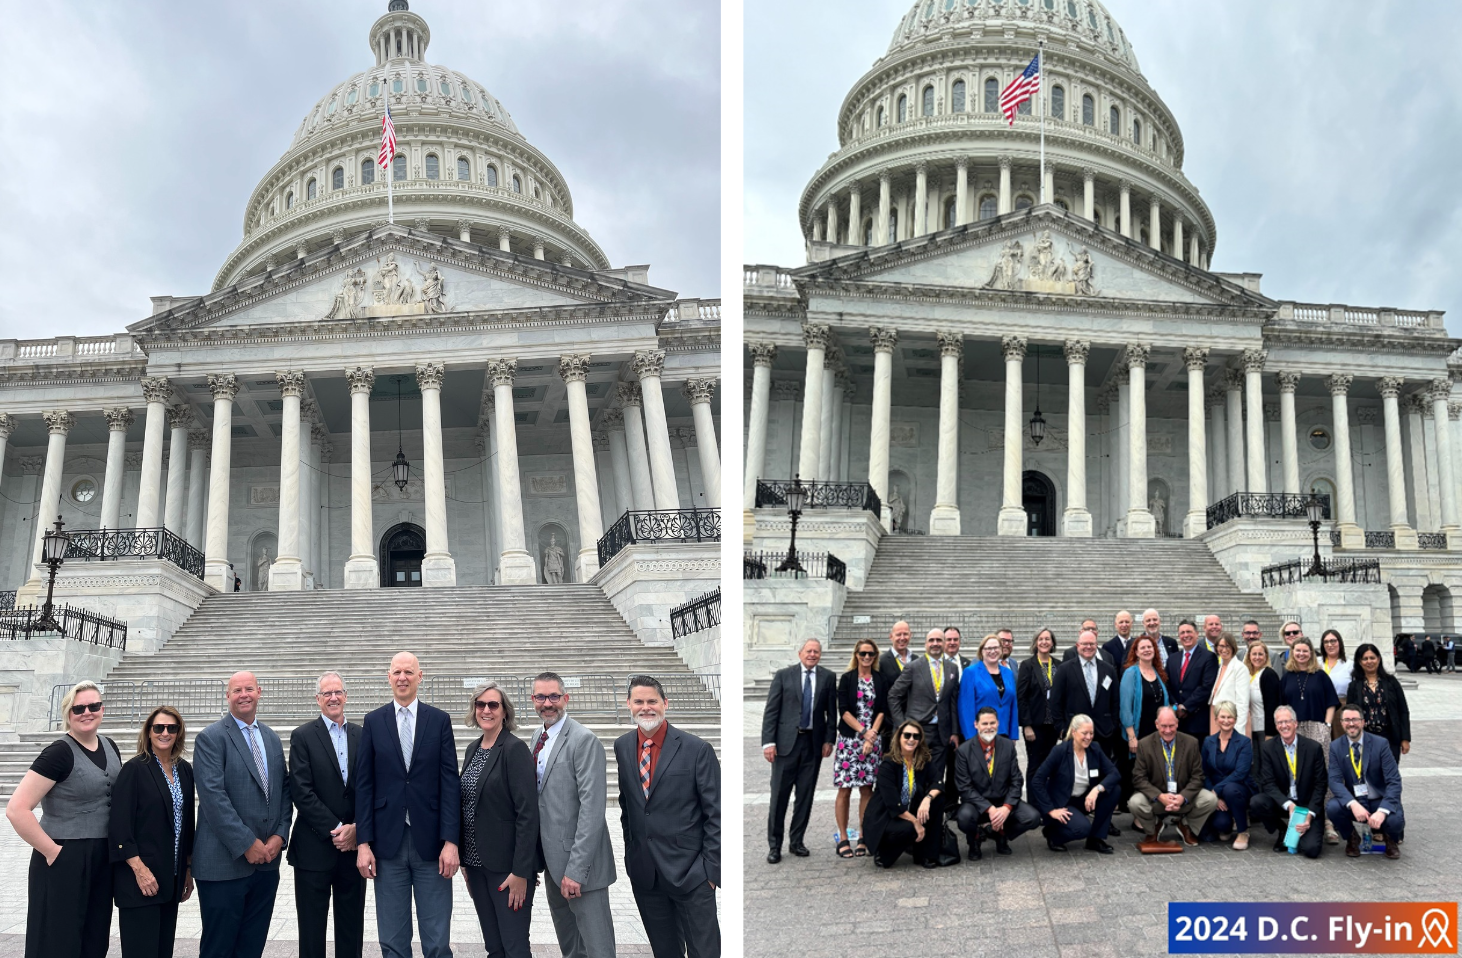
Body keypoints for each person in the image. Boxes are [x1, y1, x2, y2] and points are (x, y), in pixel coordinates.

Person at [5, 680, 122, 958]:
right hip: (63, 854)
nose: (86, 712)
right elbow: (17, 808)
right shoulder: (58, 753)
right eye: (78, 708)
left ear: (102, 710)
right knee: (57, 938)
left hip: (102, 857)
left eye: (93, 706)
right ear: (68, 713)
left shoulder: (110, 746)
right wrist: (53, 852)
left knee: (94, 936)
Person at [355, 653, 461, 958]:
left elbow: (449, 784)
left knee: (437, 939)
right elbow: (364, 786)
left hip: (432, 845)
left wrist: (451, 842)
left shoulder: (438, 720)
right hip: (387, 844)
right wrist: (363, 843)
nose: (403, 677)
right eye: (397, 672)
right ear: (389, 677)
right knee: (392, 939)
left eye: (409, 672)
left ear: (420, 676)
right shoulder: (374, 722)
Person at [614, 676, 720, 958]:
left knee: (704, 953)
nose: (645, 707)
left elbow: (715, 814)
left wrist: (709, 872)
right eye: (639, 701)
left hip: (691, 875)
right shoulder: (623, 747)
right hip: (646, 876)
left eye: (652, 701)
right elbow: (628, 807)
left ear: (665, 704)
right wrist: (631, 857)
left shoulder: (697, 749)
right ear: (629, 705)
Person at [192, 672, 292, 958]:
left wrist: (280, 834)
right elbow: (213, 799)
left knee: (252, 946)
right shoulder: (211, 738)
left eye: (249, 689)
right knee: (219, 948)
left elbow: (284, 790)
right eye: (237, 690)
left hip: (265, 866)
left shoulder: (271, 738)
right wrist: (247, 844)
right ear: (228, 696)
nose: (244, 694)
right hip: (224, 865)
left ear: (260, 692)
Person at [530, 672, 617, 958]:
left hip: (582, 869)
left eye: (554, 696)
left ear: (565, 698)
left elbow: (592, 810)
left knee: (597, 948)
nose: (548, 703)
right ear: (533, 701)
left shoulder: (584, 740)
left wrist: (576, 871)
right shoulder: (536, 737)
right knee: (571, 947)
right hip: (553, 866)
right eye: (541, 697)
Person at [459, 681, 540, 958]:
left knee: (514, 946)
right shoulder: (473, 749)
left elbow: (528, 815)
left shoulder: (514, 750)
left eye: (493, 704)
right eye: (480, 704)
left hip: (506, 870)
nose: (486, 710)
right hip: (476, 865)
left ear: (505, 711)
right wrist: (464, 861)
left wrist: (521, 872)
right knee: (494, 947)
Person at [288, 672, 365, 958]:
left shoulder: (363, 734)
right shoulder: (303, 736)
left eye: (338, 692)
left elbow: (370, 787)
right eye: (327, 693)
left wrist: (357, 828)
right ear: (318, 700)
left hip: (354, 848)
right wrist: (337, 828)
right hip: (313, 849)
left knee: (351, 927)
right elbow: (302, 791)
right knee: (311, 930)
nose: (333, 698)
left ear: (346, 696)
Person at [111, 706, 195, 958]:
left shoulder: (184, 770)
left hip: (172, 878)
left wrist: (188, 870)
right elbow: (119, 827)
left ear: (179, 733)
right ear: (148, 732)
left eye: (172, 728)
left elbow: (187, 823)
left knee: (162, 951)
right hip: (141, 880)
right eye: (159, 727)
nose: (165, 733)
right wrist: (139, 870)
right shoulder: (135, 769)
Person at [762, 639, 836, 863]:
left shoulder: (828, 677)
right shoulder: (784, 676)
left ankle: (797, 841)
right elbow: (771, 711)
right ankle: (775, 846)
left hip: (812, 746)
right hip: (785, 747)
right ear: (800, 653)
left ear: (820, 655)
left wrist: (829, 739)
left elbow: (831, 712)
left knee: (805, 797)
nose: (812, 654)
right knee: (779, 798)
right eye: (809, 651)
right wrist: (768, 742)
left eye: (816, 652)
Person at [860, 721, 952, 868]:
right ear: (898, 738)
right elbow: (892, 804)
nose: (911, 739)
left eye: (916, 736)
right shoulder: (888, 764)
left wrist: (927, 799)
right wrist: (916, 823)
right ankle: (883, 852)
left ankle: (927, 854)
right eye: (907, 735)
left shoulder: (923, 760)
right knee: (909, 828)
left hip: (910, 810)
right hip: (886, 817)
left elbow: (938, 782)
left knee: (938, 799)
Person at [953, 707, 1041, 860]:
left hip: (1002, 799)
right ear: (976, 725)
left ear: (998, 724)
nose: (989, 727)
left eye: (992, 723)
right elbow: (964, 788)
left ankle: (1001, 834)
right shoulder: (964, 751)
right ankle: (975, 839)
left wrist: (1006, 808)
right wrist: (990, 809)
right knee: (964, 818)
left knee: (1032, 817)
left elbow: (1016, 780)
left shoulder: (1007, 746)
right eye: (984, 723)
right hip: (976, 803)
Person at [1028, 715, 1120, 854]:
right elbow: (1037, 780)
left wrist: (1096, 789)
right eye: (1084, 733)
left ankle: (1095, 838)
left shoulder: (1095, 748)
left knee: (1114, 790)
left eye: (1091, 733)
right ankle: (1053, 835)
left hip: (1085, 798)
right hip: (1063, 802)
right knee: (1082, 829)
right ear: (1074, 732)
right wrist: (1051, 810)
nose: (1088, 737)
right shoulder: (1059, 751)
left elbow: (1114, 773)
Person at [1278, 637, 1339, 845]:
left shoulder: (1320, 675)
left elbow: (1332, 702)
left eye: (1305, 651)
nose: (1301, 654)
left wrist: (1327, 726)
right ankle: (1299, 815)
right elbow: (1281, 706)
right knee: (1296, 771)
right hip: (1294, 728)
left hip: (1317, 728)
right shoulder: (1287, 677)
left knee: (1322, 771)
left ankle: (1328, 821)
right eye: (1298, 651)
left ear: (1311, 654)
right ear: (1292, 653)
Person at [1130, 707, 1216, 847]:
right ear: (1156, 724)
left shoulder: (1191, 743)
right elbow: (1138, 778)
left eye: (1171, 726)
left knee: (1210, 799)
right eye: (1164, 726)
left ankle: (1186, 825)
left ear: (1177, 723)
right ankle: (1154, 828)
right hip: (1158, 799)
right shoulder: (1144, 744)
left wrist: (1183, 797)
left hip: (1183, 798)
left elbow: (1198, 776)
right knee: (1135, 802)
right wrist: (1160, 796)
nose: (1168, 730)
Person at [1327, 704, 1405, 859]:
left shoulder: (1380, 744)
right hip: (1355, 799)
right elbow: (1334, 781)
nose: (1351, 724)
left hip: (1378, 799)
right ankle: (1352, 837)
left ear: (1363, 722)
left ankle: (1391, 839)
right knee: (1333, 808)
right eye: (1346, 720)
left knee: (1395, 820)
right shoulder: (1336, 746)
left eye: (1355, 719)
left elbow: (1394, 781)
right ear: (1341, 723)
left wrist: (1382, 811)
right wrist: (1353, 804)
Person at [1248, 706, 1326, 858]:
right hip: (1283, 803)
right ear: (1276, 726)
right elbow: (1268, 783)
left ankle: (1302, 832)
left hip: (1306, 806)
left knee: (1311, 850)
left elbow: (1321, 784)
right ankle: (1283, 830)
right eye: (1279, 722)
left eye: (1287, 721)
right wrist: (1288, 805)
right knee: (1257, 802)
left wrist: (1309, 814)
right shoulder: (1268, 748)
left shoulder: (1313, 748)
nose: (1284, 726)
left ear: (1295, 723)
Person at [833, 640, 887, 858]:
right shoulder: (847, 678)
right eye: (863, 653)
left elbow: (882, 709)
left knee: (867, 789)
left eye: (871, 654)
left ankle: (864, 835)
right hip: (849, 740)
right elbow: (844, 710)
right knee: (844, 789)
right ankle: (843, 836)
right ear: (856, 654)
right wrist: (863, 732)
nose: (867, 657)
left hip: (872, 740)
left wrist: (871, 735)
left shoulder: (880, 679)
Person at [887, 629, 960, 789]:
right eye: (931, 640)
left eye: (939, 640)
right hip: (918, 730)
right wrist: (902, 725)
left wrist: (954, 731)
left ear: (944, 643)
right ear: (925, 644)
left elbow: (953, 702)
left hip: (942, 732)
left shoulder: (952, 668)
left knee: (937, 776)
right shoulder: (913, 667)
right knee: (916, 775)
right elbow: (893, 695)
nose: (935, 644)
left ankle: (934, 812)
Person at [1119, 634, 1170, 813]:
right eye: (1143, 648)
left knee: (1155, 773)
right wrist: (1131, 736)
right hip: (1139, 734)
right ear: (1136, 652)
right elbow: (1125, 707)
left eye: (1150, 647)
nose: (1147, 650)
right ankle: (1138, 815)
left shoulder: (1158, 672)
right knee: (1139, 774)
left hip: (1157, 734)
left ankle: (1153, 810)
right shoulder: (1131, 673)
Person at [1200, 701, 1254, 849]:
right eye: (1222, 716)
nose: (1226, 720)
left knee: (1230, 789)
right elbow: (1204, 772)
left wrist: (1215, 791)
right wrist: (1214, 797)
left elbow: (1240, 773)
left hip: (1238, 790)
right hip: (1217, 793)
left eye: (1230, 717)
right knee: (1221, 826)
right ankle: (1227, 824)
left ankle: (1243, 831)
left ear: (1235, 719)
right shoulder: (1208, 742)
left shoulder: (1244, 742)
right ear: (1216, 719)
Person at [1349, 643, 1411, 765]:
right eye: (1365, 659)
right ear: (1359, 662)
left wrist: (1405, 739)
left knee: (1389, 775)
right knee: (1368, 775)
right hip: (1364, 737)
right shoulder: (1354, 686)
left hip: (1389, 736)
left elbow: (1403, 711)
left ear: (1379, 659)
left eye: (1372, 658)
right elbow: (1350, 714)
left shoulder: (1391, 682)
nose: (1369, 661)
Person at [1016, 628, 1060, 789]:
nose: (1044, 642)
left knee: (1050, 764)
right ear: (1035, 643)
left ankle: (1047, 800)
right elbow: (1022, 697)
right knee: (1035, 765)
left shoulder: (1058, 665)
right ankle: (1034, 804)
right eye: (1040, 639)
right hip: (1035, 726)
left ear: (1053, 642)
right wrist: (1027, 725)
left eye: (1047, 639)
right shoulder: (1028, 665)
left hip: (1053, 725)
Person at [958, 634, 1018, 741]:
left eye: (996, 647)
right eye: (988, 648)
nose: (993, 651)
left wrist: (1013, 735)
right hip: (980, 734)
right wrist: (971, 738)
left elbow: (1013, 705)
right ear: (982, 651)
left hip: (1004, 733)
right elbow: (965, 708)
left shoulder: (1008, 673)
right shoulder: (970, 672)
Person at [1167, 620, 1218, 739]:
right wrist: (1176, 707)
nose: (1186, 635)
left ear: (1197, 634)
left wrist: (1186, 707)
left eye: (1189, 632)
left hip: (1197, 721)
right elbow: (1167, 685)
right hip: (1176, 722)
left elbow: (1206, 687)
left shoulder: (1208, 657)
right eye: (1182, 633)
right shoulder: (1172, 658)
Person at [1208, 633, 1252, 737]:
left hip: (1232, 721)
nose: (1224, 649)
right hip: (1217, 717)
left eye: (1227, 646)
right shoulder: (1220, 667)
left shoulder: (1240, 668)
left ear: (1233, 647)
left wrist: (1239, 730)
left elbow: (1243, 702)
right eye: (1221, 646)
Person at [1243, 642, 1281, 748]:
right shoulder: (1246, 674)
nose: (1257, 657)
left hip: (1263, 730)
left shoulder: (1268, 674)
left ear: (1266, 656)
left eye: (1260, 654)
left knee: (1265, 762)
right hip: (1249, 728)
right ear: (1249, 656)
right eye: (1254, 654)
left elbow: (1272, 705)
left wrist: (1270, 733)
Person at [1319, 629, 1353, 740]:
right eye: (1326, 642)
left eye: (1333, 641)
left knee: (1341, 743)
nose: (1330, 645)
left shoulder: (1349, 664)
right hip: (1320, 707)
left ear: (1340, 643)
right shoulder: (1316, 662)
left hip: (1341, 707)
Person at [878, 620, 914, 686]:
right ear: (891, 637)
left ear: (910, 635)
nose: (902, 638)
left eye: (905, 634)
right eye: (898, 634)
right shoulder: (881, 661)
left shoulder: (916, 659)